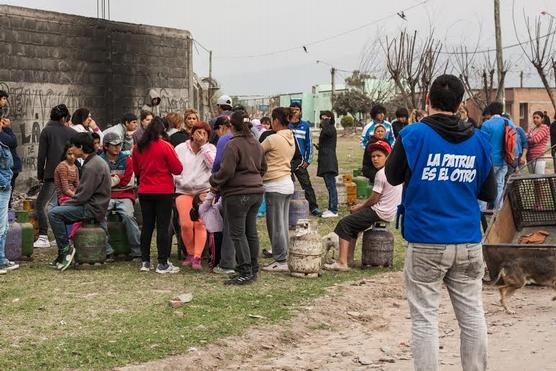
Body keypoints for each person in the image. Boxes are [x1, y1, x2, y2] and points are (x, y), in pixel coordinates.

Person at [385, 74, 496, 371]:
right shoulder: (480, 140)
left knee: (425, 319)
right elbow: (489, 193)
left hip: (426, 241)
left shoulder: (413, 135)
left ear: (427, 101)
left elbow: (393, 176)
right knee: (472, 315)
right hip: (469, 240)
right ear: (460, 104)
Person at [209, 110, 267, 285]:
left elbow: (226, 170)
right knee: (250, 232)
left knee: (237, 233)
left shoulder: (233, 144)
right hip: (256, 191)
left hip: (237, 193)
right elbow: (263, 167)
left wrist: (214, 180)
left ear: (231, 126)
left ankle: (245, 270)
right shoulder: (256, 143)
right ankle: (253, 267)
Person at [324, 140, 401, 271]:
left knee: (344, 223)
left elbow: (374, 198)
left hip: (380, 211)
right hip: (388, 210)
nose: (375, 159)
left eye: (379, 156)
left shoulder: (381, 174)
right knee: (354, 225)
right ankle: (349, 258)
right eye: (373, 156)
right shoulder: (395, 170)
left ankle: (342, 262)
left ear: (387, 156)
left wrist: (359, 207)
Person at [48, 133, 112, 271]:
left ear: (81, 147)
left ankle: (65, 250)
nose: (72, 150)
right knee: (58, 211)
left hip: (92, 208)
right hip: (94, 205)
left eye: (73, 147)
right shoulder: (95, 161)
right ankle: (63, 252)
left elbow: (82, 196)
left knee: (54, 214)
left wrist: (66, 204)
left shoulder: (92, 166)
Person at [132, 117, 183, 274]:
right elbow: (177, 169)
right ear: (162, 131)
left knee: (147, 227)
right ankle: (162, 263)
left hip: (145, 191)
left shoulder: (137, 147)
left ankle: (145, 261)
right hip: (163, 191)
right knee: (162, 227)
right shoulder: (165, 146)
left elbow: (137, 170)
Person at [174, 121, 216, 271]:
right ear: (192, 133)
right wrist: (181, 181)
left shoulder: (210, 149)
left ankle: (197, 256)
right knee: (186, 224)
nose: (201, 136)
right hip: (183, 190)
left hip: (203, 191)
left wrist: (204, 147)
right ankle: (190, 253)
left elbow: (213, 165)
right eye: (198, 132)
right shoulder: (180, 148)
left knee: (200, 223)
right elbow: (174, 168)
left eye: (204, 133)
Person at [34, 104, 76, 248]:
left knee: (40, 204)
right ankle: (65, 235)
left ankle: (43, 235)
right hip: (71, 172)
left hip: (52, 174)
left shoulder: (46, 131)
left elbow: (41, 156)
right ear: (64, 118)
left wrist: (40, 174)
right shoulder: (71, 132)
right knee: (63, 204)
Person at [260, 107, 295, 272]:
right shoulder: (290, 137)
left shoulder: (273, 139)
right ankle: (284, 254)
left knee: (275, 225)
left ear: (276, 121)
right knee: (282, 223)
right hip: (287, 183)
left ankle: (280, 259)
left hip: (274, 184)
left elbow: (255, 152)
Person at [100, 132, 142, 260]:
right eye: (114, 145)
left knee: (128, 216)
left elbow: (126, 180)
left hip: (125, 195)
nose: (117, 147)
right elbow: (101, 181)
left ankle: (137, 251)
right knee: (100, 216)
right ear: (106, 146)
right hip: (106, 196)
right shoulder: (100, 160)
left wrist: (112, 180)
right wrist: (117, 179)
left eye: (119, 145)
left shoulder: (127, 159)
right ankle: (108, 251)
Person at [480, 101, 517, 210]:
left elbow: (483, 144)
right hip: (504, 160)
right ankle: (498, 211)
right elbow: (514, 142)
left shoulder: (487, 124)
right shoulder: (509, 123)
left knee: (483, 186)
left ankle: (482, 211)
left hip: (489, 161)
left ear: (490, 111)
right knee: (500, 185)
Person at [288, 102, 321, 216]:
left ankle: (313, 207)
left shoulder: (305, 126)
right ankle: (287, 208)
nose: (294, 112)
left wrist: (307, 161)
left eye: (296, 110)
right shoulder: (286, 125)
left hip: (301, 162)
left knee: (306, 185)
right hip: (287, 162)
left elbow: (309, 144)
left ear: (300, 112)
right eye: (292, 109)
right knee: (287, 185)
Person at [0, 133, 19, 274]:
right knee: (1, 225)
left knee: (4, 225)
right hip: (2, 188)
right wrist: (4, 183)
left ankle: (2, 259)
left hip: (4, 188)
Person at [0, 90, 21, 209]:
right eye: (3, 98)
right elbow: (13, 142)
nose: (5, 102)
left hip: (9, 168)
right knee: (5, 203)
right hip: (5, 170)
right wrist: (8, 129)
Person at [316, 110, 339, 218]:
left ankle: (333, 210)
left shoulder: (329, 128)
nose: (323, 120)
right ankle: (331, 208)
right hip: (325, 161)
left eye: (325, 118)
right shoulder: (326, 129)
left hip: (328, 161)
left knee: (331, 186)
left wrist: (326, 123)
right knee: (330, 186)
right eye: (322, 118)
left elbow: (327, 132)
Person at [197, 191, 223, 272]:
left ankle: (217, 263)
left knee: (219, 249)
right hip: (212, 233)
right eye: (204, 196)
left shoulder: (214, 206)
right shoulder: (202, 208)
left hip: (219, 231)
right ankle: (213, 265)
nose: (207, 197)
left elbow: (220, 203)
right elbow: (208, 201)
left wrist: (223, 194)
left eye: (207, 195)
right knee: (214, 250)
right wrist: (212, 192)